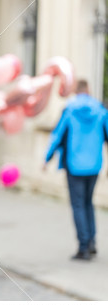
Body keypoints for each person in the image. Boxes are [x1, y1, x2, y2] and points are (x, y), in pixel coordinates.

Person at [44, 79, 108, 261]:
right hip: (95, 165)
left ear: (76, 91)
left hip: (75, 166)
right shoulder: (100, 110)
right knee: (88, 203)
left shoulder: (69, 110)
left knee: (78, 205)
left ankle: (84, 247)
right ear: (88, 90)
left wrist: (46, 158)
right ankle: (92, 242)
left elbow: (57, 135)